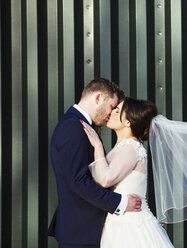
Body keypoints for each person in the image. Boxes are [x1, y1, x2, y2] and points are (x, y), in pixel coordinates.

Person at [47, 78, 143, 248]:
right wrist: (120, 202)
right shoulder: (72, 127)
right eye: (111, 107)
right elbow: (78, 181)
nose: (111, 113)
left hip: (86, 231)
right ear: (97, 98)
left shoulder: (79, 125)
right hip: (80, 233)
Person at [81, 97, 174, 247]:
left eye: (117, 111)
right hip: (119, 221)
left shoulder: (131, 147)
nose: (111, 112)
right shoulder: (123, 146)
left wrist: (97, 146)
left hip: (129, 226)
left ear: (128, 122)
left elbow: (105, 179)